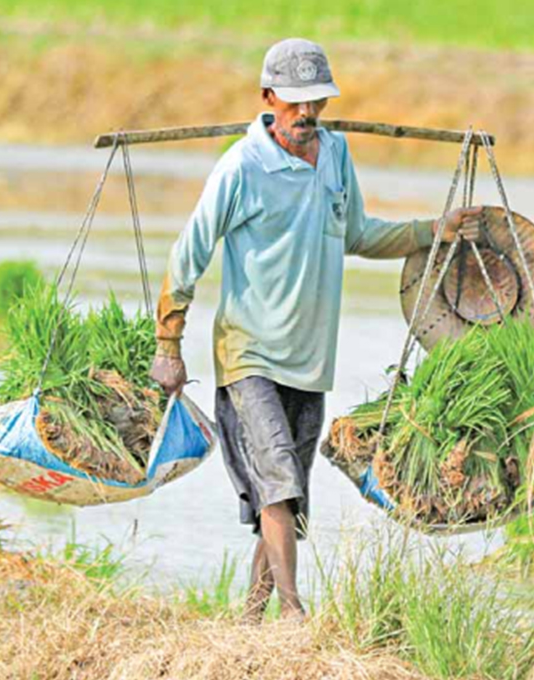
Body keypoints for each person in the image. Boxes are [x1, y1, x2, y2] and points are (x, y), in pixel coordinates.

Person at [150, 38, 479, 622]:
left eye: (317, 102)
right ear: (268, 98)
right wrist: (168, 342)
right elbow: (188, 253)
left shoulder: (335, 155)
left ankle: (251, 618)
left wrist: (435, 230)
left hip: (311, 359)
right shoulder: (242, 167)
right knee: (278, 481)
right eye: (296, 103)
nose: (307, 115)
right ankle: (295, 615)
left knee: (288, 496)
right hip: (249, 355)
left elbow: (357, 235)